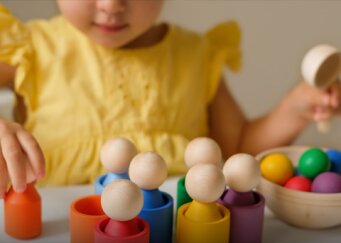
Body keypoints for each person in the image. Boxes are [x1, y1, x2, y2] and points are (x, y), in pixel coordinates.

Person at [0, 0, 340, 198]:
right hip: (55, 242)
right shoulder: (34, 49)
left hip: (179, 242)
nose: (111, 5)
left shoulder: (196, 56)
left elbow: (239, 150)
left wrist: (295, 109)